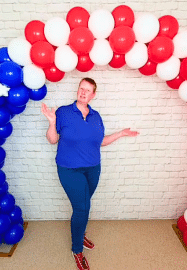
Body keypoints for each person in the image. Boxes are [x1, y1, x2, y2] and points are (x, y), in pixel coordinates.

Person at [41, 77, 139, 270]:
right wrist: (52, 123)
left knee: (83, 206)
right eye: (81, 88)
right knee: (82, 208)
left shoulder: (96, 116)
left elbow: (100, 141)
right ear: (77, 90)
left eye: (88, 90)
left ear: (93, 95)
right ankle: (77, 249)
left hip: (93, 169)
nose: (83, 92)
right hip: (69, 169)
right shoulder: (63, 112)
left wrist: (120, 133)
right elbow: (52, 140)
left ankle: (79, 231)